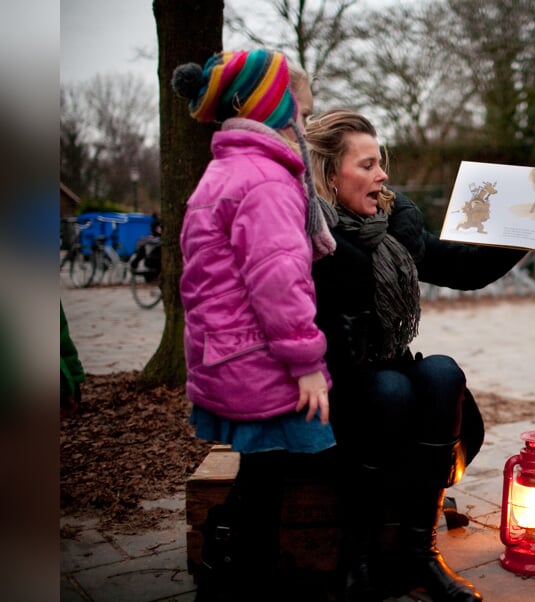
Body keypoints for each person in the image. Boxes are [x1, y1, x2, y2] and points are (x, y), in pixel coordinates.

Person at [304, 108, 535, 602]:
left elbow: (467, 269)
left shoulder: (392, 228)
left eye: (380, 163)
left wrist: (533, 216)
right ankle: (358, 558)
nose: (382, 175)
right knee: (390, 385)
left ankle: (420, 552)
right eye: (366, 166)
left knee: (443, 373)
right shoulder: (311, 238)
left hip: (388, 379)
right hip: (332, 388)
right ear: (328, 176)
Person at [170, 49, 338, 600]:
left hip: (227, 351)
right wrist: (307, 363)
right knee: (267, 481)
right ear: (274, 108)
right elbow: (279, 281)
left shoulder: (225, 169)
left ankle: (231, 555)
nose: (306, 126)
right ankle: (239, 575)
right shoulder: (266, 180)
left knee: (263, 473)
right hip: (258, 358)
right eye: (303, 114)